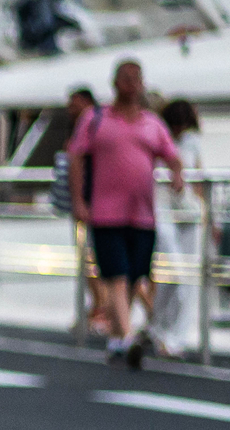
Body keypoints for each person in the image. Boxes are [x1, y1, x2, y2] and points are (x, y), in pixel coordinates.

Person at [69, 58, 185, 368]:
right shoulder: (95, 119)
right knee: (116, 275)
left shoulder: (151, 123)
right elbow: (76, 157)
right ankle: (129, 335)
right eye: (126, 78)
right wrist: (79, 200)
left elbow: (172, 155)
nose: (132, 84)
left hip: (143, 214)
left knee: (135, 276)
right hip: (106, 212)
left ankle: (118, 336)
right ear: (115, 83)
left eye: (137, 78)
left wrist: (177, 175)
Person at [147, 99, 206, 357]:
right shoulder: (158, 139)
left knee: (187, 278)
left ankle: (174, 336)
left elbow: (200, 180)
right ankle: (158, 326)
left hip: (189, 211)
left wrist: (209, 217)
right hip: (162, 211)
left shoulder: (194, 142)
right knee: (173, 273)